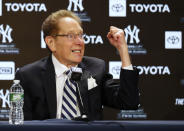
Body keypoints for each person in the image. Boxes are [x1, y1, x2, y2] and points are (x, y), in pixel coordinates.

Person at [15, 9, 139, 121]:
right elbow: (20, 122)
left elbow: (129, 102)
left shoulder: (95, 68)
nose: (80, 42)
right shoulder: (28, 76)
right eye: (71, 36)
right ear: (51, 42)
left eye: (80, 35)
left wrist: (122, 49)